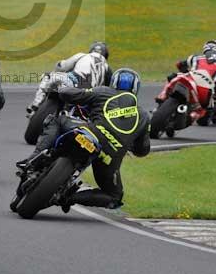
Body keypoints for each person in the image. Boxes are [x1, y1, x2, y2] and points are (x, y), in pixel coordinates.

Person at [17, 68, 150, 211]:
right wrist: (128, 144)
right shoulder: (144, 116)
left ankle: (34, 157)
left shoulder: (103, 91)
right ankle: (68, 197)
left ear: (113, 82)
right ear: (136, 88)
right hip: (109, 157)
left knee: (56, 120)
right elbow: (142, 150)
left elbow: (68, 94)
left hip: (90, 133)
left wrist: (63, 87)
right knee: (114, 196)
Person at [26, 41, 112, 117]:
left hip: (75, 83)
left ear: (91, 50)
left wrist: (56, 69)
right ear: (106, 55)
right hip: (90, 96)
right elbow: (109, 89)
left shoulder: (82, 55)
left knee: (47, 76)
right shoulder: (108, 68)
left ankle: (35, 105)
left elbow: (62, 66)